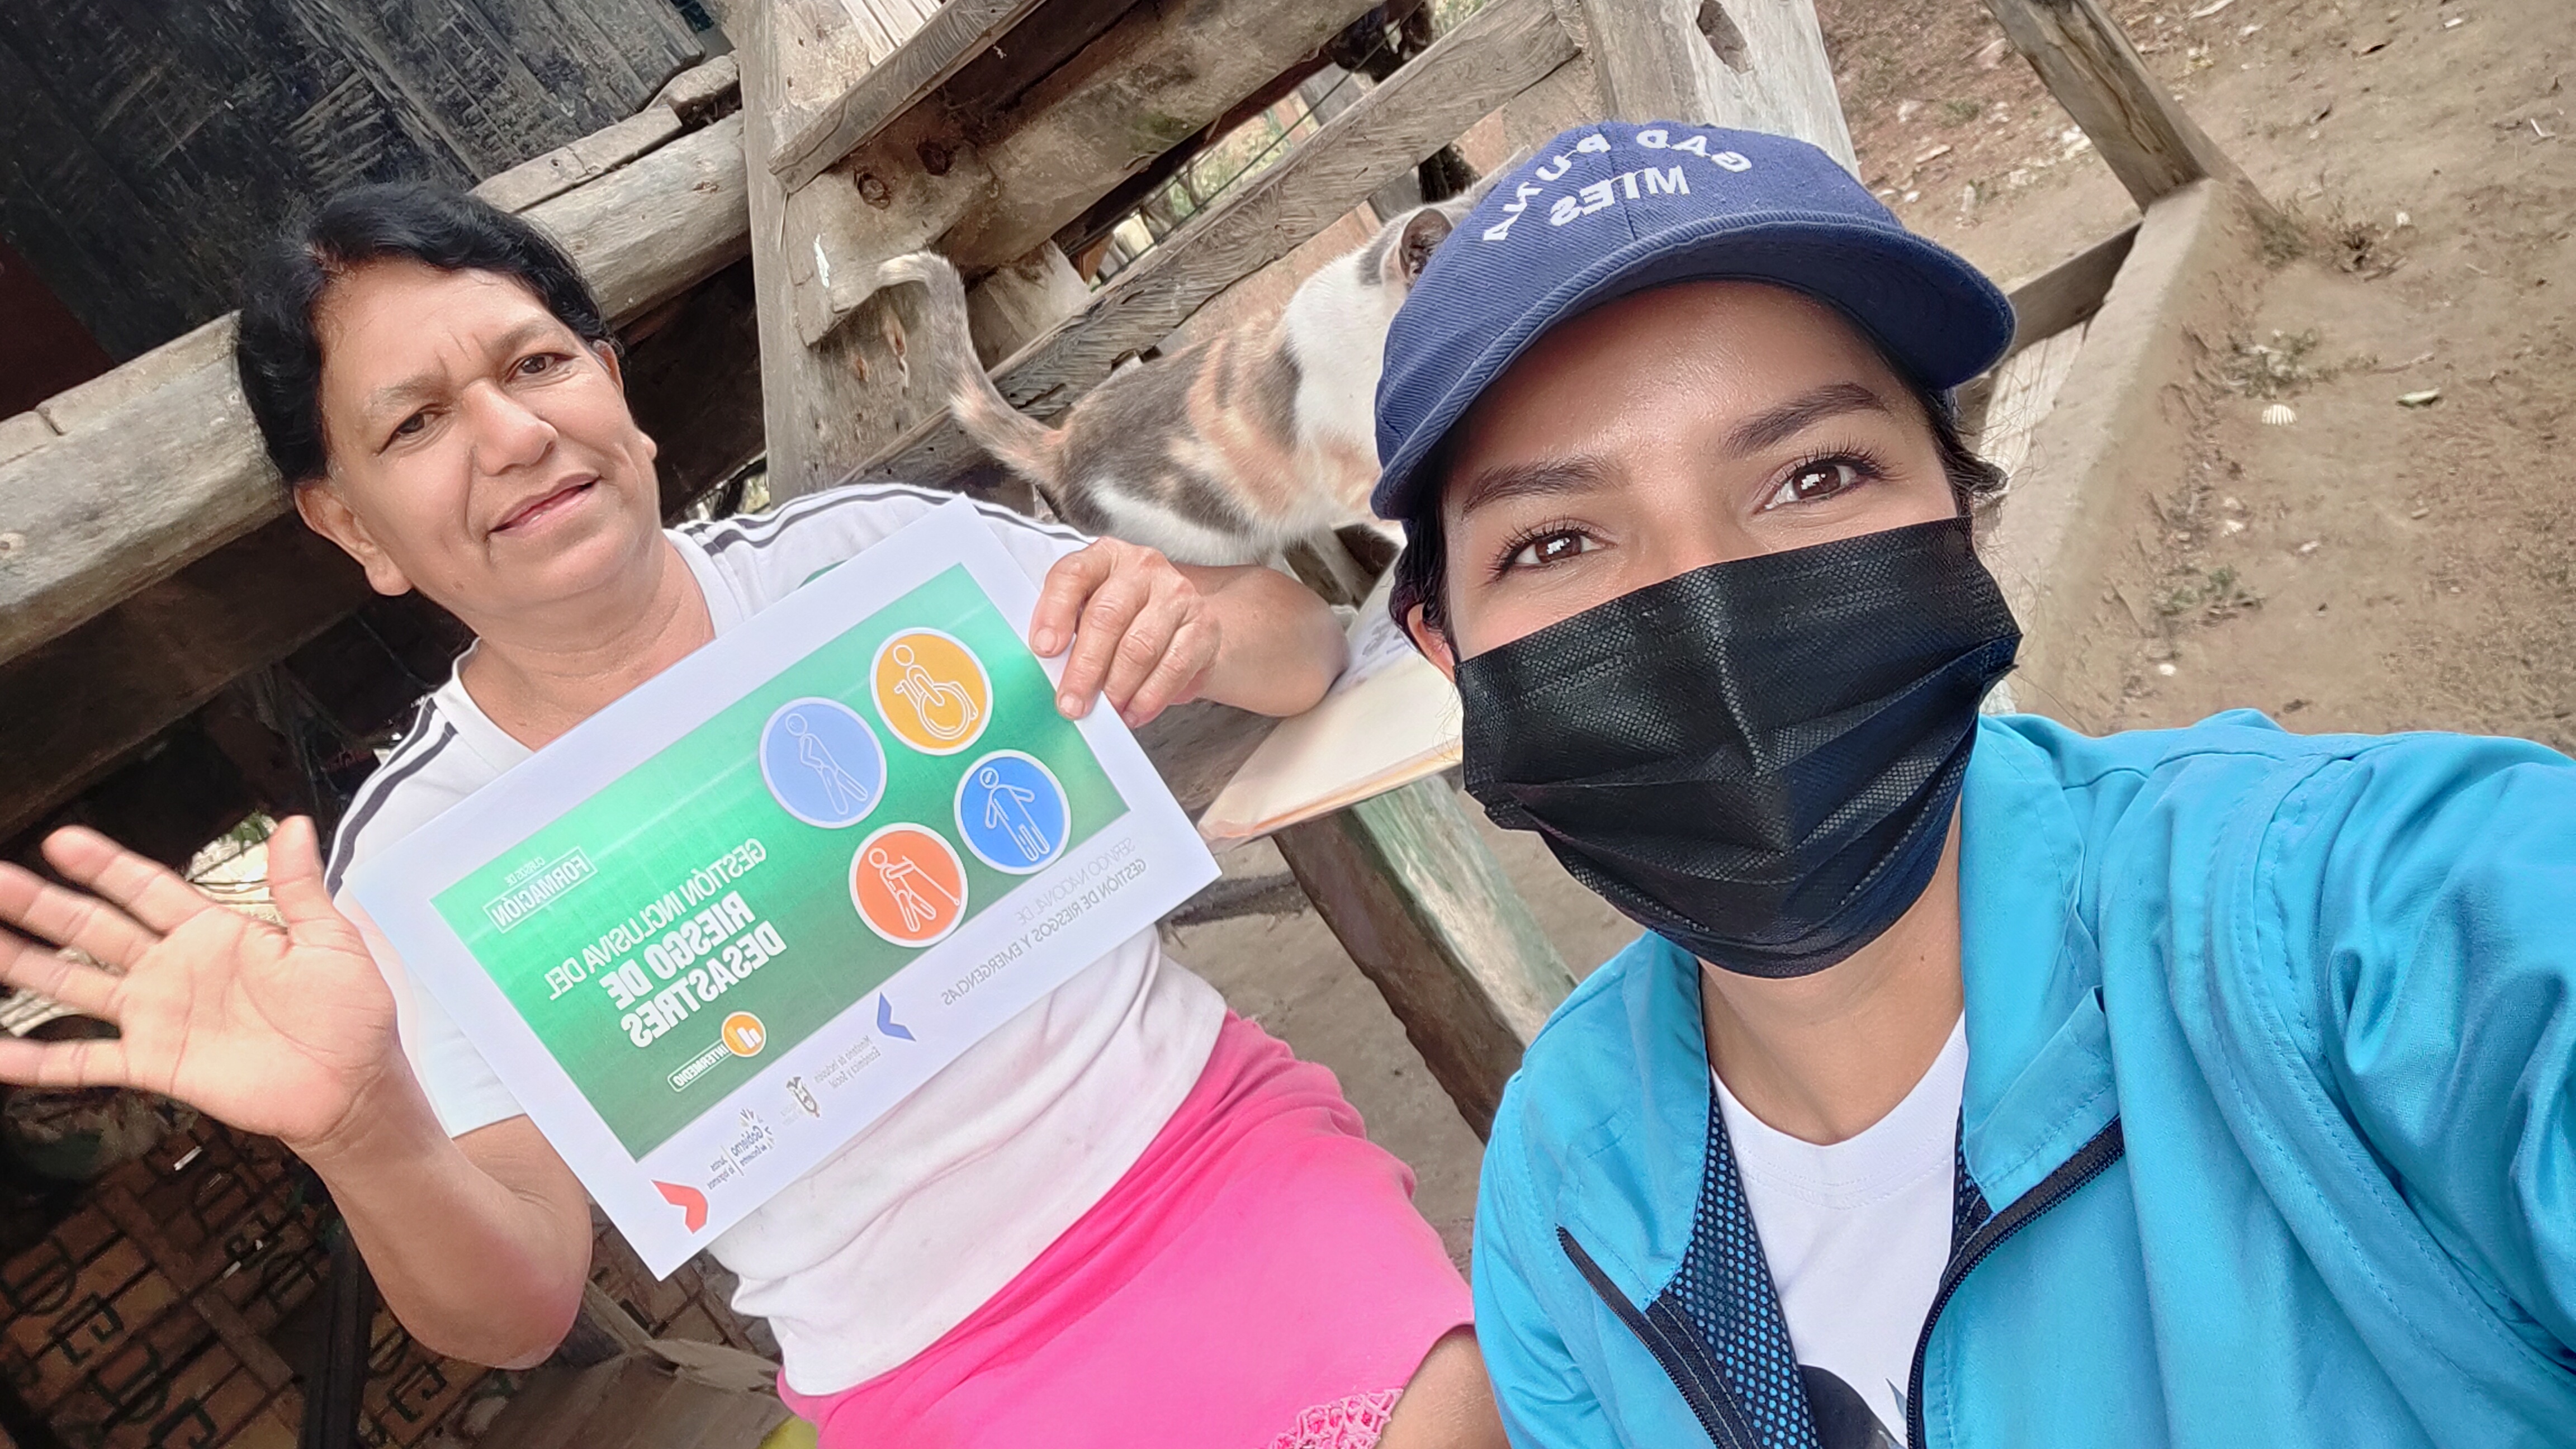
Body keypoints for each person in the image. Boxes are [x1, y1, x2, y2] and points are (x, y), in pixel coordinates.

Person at [0, 183, 1507, 1449]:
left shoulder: (875, 563)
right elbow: (519, 1304)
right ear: (350, 526)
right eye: (415, 427)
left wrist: (1180, 617)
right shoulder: (424, 859)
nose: (513, 435)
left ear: (615, 386)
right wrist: (365, 1132)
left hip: (1217, 1162)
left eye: (536, 364)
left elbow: (1301, 656)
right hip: (925, 1375)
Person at [1371, 124, 2576, 1448]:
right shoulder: (1558, 1185)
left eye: (1814, 476)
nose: (1707, 617)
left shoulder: (2352, 922)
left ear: (1962, 510)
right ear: (1449, 653)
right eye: (1554, 542)